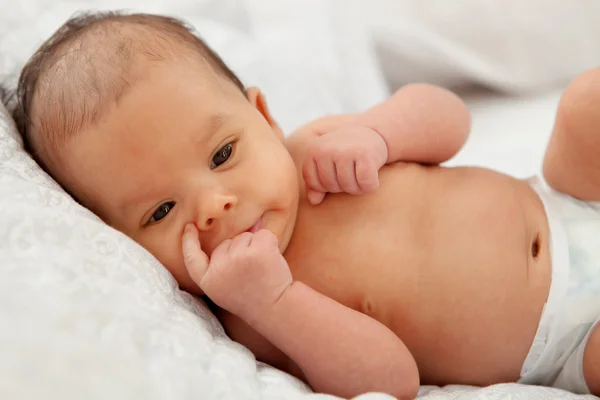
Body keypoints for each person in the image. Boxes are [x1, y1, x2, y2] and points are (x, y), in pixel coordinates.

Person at [6, 11, 600, 399]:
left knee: (585, 106)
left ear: (262, 116)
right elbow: (393, 381)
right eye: (160, 212)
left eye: (221, 154)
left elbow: (451, 119)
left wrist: (380, 133)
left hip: (563, 197)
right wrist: (276, 301)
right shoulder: (252, 316)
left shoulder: (318, 148)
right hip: (567, 341)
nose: (215, 204)